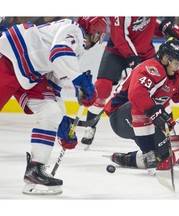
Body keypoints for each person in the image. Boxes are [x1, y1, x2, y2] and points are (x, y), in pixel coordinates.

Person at [0, 16, 107, 194]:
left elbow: (55, 86)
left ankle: (35, 169)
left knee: (51, 111)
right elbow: (59, 52)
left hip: (29, 73)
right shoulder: (74, 31)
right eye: (99, 35)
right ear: (94, 33)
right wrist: (80, 80)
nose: (98, 40)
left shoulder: (74, 49)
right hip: (9, 58)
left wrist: (62, 122)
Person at [103, 38, 179, 174]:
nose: (178, 67)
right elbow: (136, 95)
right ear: (165, 58)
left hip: (143, 117)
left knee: (165, 158)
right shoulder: (150, 68)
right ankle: (148, 154)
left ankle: (126, 159)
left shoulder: (176, 76)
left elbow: (174, 94)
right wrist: (154, 111)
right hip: (120, 117)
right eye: (176, 63)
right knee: (144, 108)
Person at [81, 17, 179, 146]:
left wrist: (164, 28)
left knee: (162, 88)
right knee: (102, 87)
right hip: (117, 50)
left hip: (145, 53)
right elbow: (120, 36)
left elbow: (148, 24)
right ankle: (90, 126)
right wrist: (132, 57)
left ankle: (168, 132)